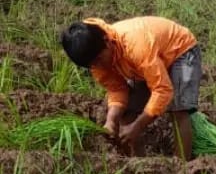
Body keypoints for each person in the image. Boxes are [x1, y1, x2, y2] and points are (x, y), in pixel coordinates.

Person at [60, 16, 202, 160]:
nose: (99, 66)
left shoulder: (135, 46)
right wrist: (111, 119)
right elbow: (117, 89)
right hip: (149, 63)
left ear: (107, 42)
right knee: (127, 110)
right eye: (92, 65)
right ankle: (137, 162)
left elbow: (162, 89)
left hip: (181, 50)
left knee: (178, 110)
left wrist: (138, 126)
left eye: (99, 60)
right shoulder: (96, 62)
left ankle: (182, 168)